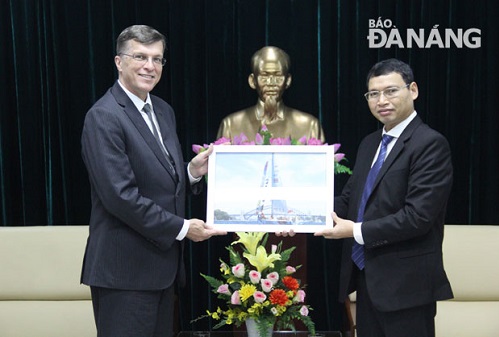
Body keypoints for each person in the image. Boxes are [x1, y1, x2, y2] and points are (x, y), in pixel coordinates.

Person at [80, 25, 226, 337]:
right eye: (141, 57)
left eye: (157, 59)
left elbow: (157, 182)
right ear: (119, 62)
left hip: (162, 271)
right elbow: (120, 196)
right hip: (124, 274)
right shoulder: (104, 116)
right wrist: (184, 228)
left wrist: (190, 172)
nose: (150, 66)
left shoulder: (162, 110)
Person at [314, 59, 453, 337]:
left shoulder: (429, 144)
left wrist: (353, 230)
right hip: (368, 281)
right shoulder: (370, 143)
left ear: (413, 90)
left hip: (408, 288)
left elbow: (418, 218)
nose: (381, 100)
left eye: (391, 91)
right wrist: (304, 211)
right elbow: (351, 201)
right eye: (373, 94)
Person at [216, 46, 325, 142]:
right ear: (252, 81)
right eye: (264, 76)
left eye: (278, 76)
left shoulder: (309, 125)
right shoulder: (231, 124)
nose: (271, 83)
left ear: (287, 80)